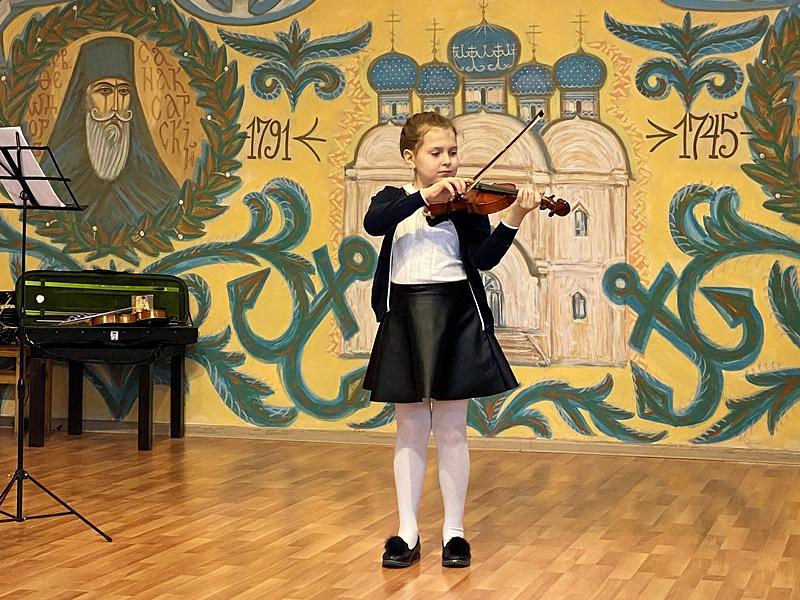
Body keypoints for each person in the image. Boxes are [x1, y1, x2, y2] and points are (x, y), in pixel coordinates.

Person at [362, 111, 538, 569]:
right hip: (404, 315)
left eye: (453, 152)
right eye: (436, 152)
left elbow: (483, 259)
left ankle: (454, 532)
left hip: (456, 313)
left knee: (452, 428)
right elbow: (375, 223)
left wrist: (513, 217)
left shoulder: (465, 204)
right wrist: (424, 197)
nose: (447, 161)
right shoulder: (393, 198)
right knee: (409, 427)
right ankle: (406, 531)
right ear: (410, 157)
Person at [39, 36, 179, 233]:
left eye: (123, 92)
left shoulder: (153, 174)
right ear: (85, 99)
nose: (115, 105)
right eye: (104, 91)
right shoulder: (58, 166)